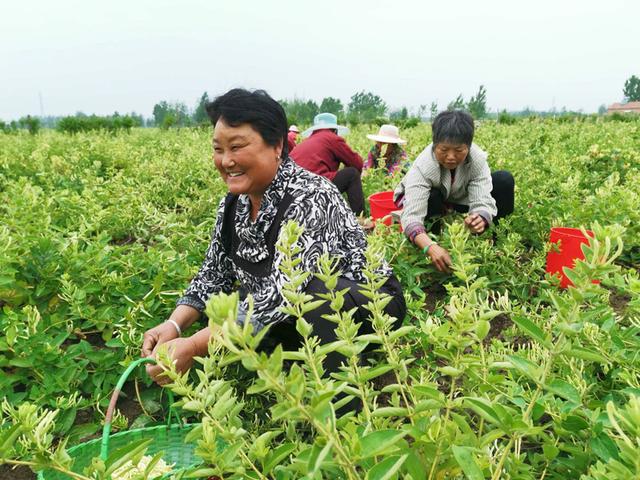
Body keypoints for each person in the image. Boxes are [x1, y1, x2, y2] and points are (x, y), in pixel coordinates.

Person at [142, 89, 406, 384]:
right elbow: (213, 273)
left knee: (316, 292)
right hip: (290, 309)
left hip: (370, 306)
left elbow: (285, 293)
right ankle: (290, 365)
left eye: (237, 147)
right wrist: (175, 326)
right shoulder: (232, 205)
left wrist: (193, 346)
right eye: (218, 149)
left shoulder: (311, 196)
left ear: (277, 145)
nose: (226, 161)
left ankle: (341, 406)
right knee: (231, 307)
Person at [394, 110, 514, 273]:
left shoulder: (477, 159)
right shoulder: (423, 166)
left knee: (504, 180)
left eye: (458, 151)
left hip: (459, 198)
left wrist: (480, 217)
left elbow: (482, 199)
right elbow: (412, 216)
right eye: (443, 150)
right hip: (434, 198)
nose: (451, 157)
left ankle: (500, 245)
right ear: (435, 144)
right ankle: (433, 248)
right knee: (432, 197)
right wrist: (430, 246)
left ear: (469, 147)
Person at [290, 113, 365, 215]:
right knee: (352, 174)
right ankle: (359, 219)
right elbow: (357, 163)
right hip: (312, 187)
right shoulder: (332, 138)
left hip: (292, 192)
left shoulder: (306, 141)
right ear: (334, 130)